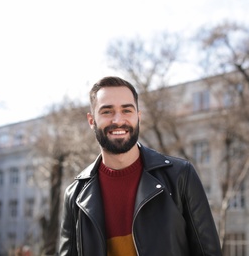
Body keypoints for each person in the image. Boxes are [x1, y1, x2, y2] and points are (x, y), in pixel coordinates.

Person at [58, 76, 222, 256]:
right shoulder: (75, 195)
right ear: (91, 120)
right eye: (107, 112)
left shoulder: (180, 176)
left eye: (126, 110)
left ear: (138, 116)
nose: (118, 120)